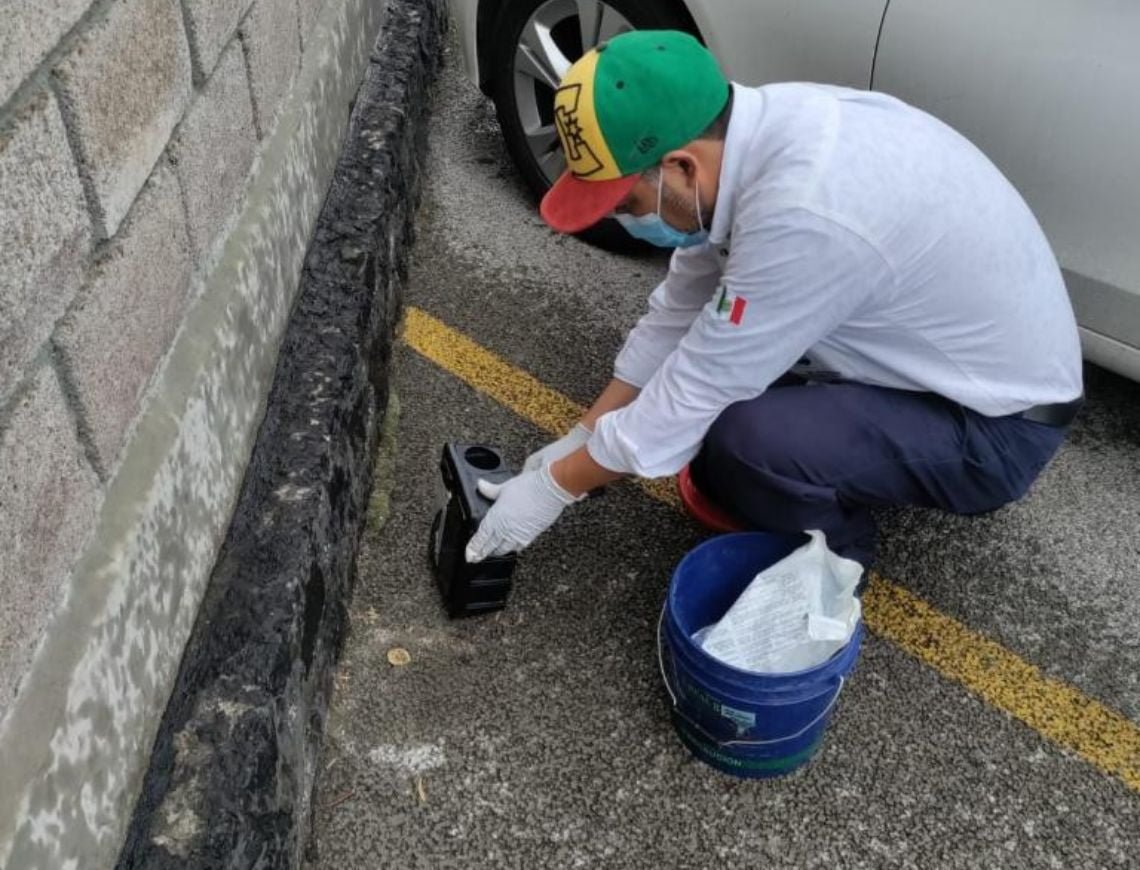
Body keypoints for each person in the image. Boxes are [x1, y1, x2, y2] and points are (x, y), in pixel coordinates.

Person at [464, 29, 1083, 576]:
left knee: (736, 442)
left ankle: (832, 558)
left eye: (628, 203)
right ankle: (816, 454)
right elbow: (680, 308)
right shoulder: (755, 134)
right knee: (689, 412)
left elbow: (699, 388)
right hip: (949, 357)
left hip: (995, 428)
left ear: (681, 168)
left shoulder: (805, 211)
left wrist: (554, 488)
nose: (628, 221)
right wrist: (586, 431)